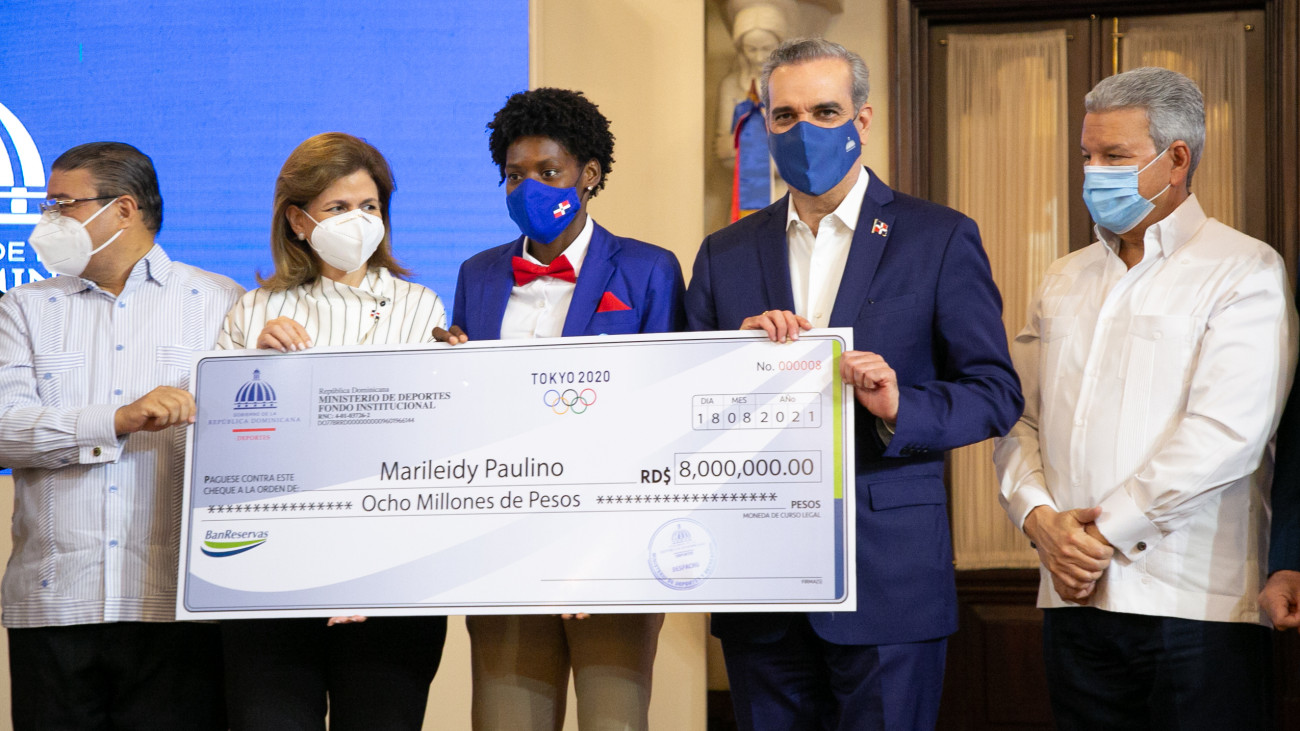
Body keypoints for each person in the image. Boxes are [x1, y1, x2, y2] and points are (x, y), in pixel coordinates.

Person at [686, 38, 1023, 730]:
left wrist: (901, 406)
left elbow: (995, 391)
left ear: (861, 121)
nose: (803, 130)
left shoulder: (937, 237)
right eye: (785, 116)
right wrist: (733, 362)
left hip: (888, 579)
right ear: (765, 122)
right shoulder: (724, 254)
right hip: (761, 581)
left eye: (824, 111)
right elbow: (685, 405)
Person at [995, 67, 1296, 730]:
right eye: (1087, 155)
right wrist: (1039, 520)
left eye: (1114, 156)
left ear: (1176, 159)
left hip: (1192, 602)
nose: (1093, 173)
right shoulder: (1063, 277)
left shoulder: (1244, 269)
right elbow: (1018, 417)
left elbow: (1227, 434)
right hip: (1072, 598)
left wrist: (1099, 536)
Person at [435, 87, 684, 731]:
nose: (530, 188)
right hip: (504, 544)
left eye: (549, 172)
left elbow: (665, 416)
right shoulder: (478, 274)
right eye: (515, 175)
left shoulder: (649, 270)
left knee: (613, 720)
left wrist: (602, 546)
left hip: (612, 547)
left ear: (588, 174)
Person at [0, 142, 242, 729]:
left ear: (124, 209)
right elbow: (4, 430)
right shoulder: (23, 307)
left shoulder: (220, 301)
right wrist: (115, 419)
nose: (48, 220)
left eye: (63, 205)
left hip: (177, 607)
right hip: (52, 605)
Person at [216, 132, 448, 731]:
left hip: (390, 579)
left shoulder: (421, 306)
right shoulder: (252, 311)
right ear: (298, 221)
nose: (358, 220)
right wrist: (254, 367)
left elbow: (417, 442)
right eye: (338, 207)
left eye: (369, 206)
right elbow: (224, 451)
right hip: (273, 578)